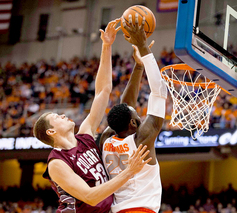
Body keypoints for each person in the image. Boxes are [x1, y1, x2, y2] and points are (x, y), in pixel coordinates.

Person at [33, 18, 152, 213]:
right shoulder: (56, 163)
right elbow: (91, 196)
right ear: (51, 130)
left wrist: (106, 46)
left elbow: (103, 91)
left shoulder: (85, 136)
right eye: (57, 117)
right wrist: (130, 170)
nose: (63, 115)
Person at [99, 14, 167, 213]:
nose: (138, 113)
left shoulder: (107, 138)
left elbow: (125, 107)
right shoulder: (142, 140)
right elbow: (159, 92)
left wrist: (138, 66)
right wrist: (144, 49)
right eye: (137, 115)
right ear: (134, 124)